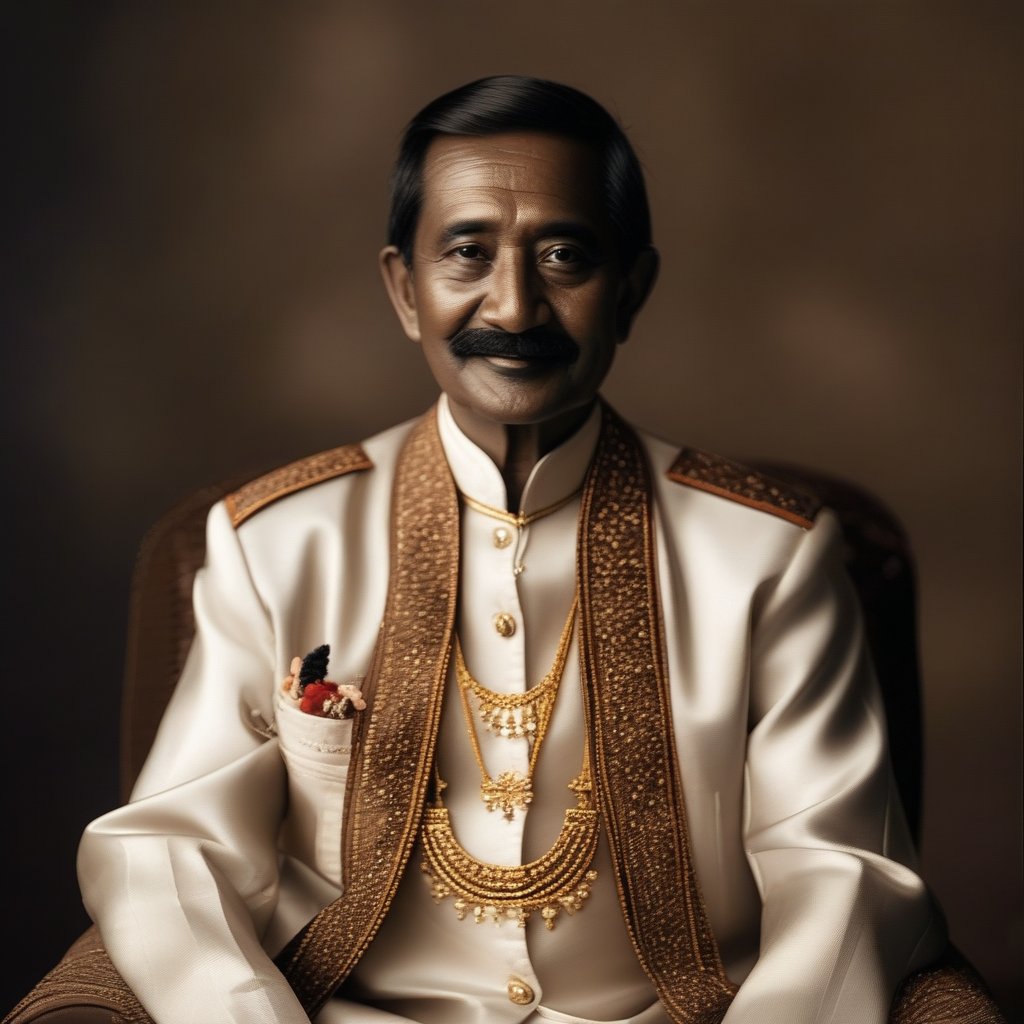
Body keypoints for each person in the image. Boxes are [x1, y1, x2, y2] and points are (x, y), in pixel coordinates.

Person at [19, 75, 994, 1024]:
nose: (515, 308)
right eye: (467, 255)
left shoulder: (766, 556)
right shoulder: (276, 541)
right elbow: (166, 853)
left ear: (631, 292)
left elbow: (843, 875)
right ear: (405, 288)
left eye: (564, 256)